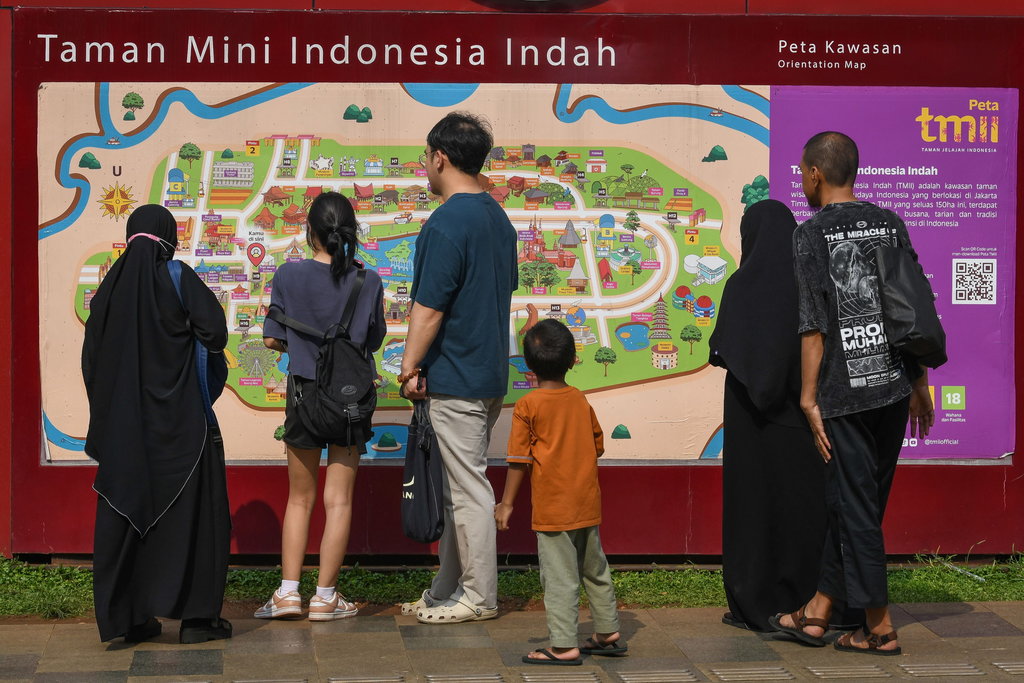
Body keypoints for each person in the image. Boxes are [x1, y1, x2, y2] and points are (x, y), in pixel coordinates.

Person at [770, 132, 934, 655]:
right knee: (858, 503)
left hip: (846, 394)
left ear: (816, 174)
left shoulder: (809, 235)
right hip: (891, 387)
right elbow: (912, 307)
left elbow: (813, 327)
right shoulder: (889, 222)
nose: (801, 179)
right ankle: (819, 610)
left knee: (857, 507)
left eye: (802, 171)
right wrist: (918, 382)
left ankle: (879, 627)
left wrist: (808, 398)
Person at [83, 204, 231, 644]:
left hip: (124, 438)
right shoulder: (178, 277)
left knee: (125, 518)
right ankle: (197, 621)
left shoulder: (107, 291)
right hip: (184, 430)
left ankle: (129, 620)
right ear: (167, 238)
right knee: (196, 520)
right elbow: (215, 332)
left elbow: (92, 362)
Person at [398, 111, 518, 624]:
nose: (425, 166)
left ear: (440, 157)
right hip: (487, 375)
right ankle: (447, 587)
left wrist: (408, 368)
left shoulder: (446, 222)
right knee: (456, 487)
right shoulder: (497, 217)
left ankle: (479, 596)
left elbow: (429, 309)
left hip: (456, 377)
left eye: (426, 158)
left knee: (467, 490)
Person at [259, 191, 386, 621]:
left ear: (308, 230)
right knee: (340, 500)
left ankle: (289, 593)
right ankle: (326, 597)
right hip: (349, 400)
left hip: (304, 396)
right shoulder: (368, 281)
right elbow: (372, 339)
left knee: (300, 498)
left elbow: (272, 338)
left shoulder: (287, 277)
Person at [709, 199, 834, 632]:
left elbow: (722, 350)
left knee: (752, 508)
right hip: (800, 416)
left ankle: (752, 601)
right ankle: (807, 601)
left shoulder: (741, 286)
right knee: (801, 507)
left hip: (750, 421)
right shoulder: (811, 283)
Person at [495, 319, 624, 666]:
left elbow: (518, 460)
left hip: (553, 511)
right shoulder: (580, 400)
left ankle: (564, 645)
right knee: (594, 568)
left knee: (559, 577)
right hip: (586, 502)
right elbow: (597, 445)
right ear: (571, 361)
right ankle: (608, 630)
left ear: (528, 364)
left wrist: (506, 505)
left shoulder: (528, 406)